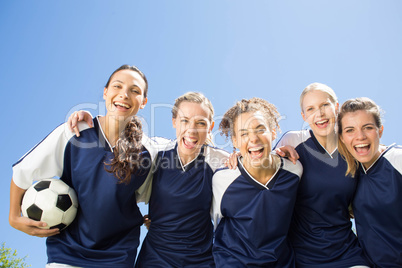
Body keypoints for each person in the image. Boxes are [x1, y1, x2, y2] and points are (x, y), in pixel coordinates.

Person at [9, 64, 161, 268]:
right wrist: (13, 217)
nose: (124, 95)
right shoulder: (74, 132)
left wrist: (158, 220)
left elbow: (161, 191)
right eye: (117, 86)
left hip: (117, 257)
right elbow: (23, 172)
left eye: (134, 91)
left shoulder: (148, 152)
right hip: (66, 254)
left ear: (143, 102)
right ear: (106, 92)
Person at [274, 83, 369, 267]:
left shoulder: (352, 146)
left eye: (324, 105)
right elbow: (260, 170)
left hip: (346, 251)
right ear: (304, 116)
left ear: (337, 107)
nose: (319, 114)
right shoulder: (293, 141)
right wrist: (239, 156)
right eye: (311, 109)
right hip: (302, 255)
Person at [212, 97, 302, 267]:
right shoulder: (223, 180)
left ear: (274, 132)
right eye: (244, 133)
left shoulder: (294, 170)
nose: (253, 139)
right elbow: (217, 223)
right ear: (235, 141)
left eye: (260, 129)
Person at [338, 97, 402, 267]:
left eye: (367, 127)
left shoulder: (397, 160)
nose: (360, 136)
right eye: (350, 130)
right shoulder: (351, 176)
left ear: (380, 131)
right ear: (342, 138)